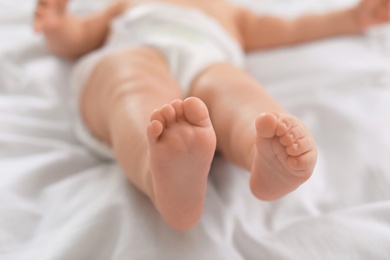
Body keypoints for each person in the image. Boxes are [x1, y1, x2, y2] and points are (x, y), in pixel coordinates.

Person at [34, 0, 389, 230]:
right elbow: (79, 37)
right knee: (130, 87)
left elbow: (293, 28)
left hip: (206, 60)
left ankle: (261, 154)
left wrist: (350, 17)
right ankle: (161, 174)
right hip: (136, 49)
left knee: (236, 93)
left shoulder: (233, 13)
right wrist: (58, 26)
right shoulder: (126, 5)